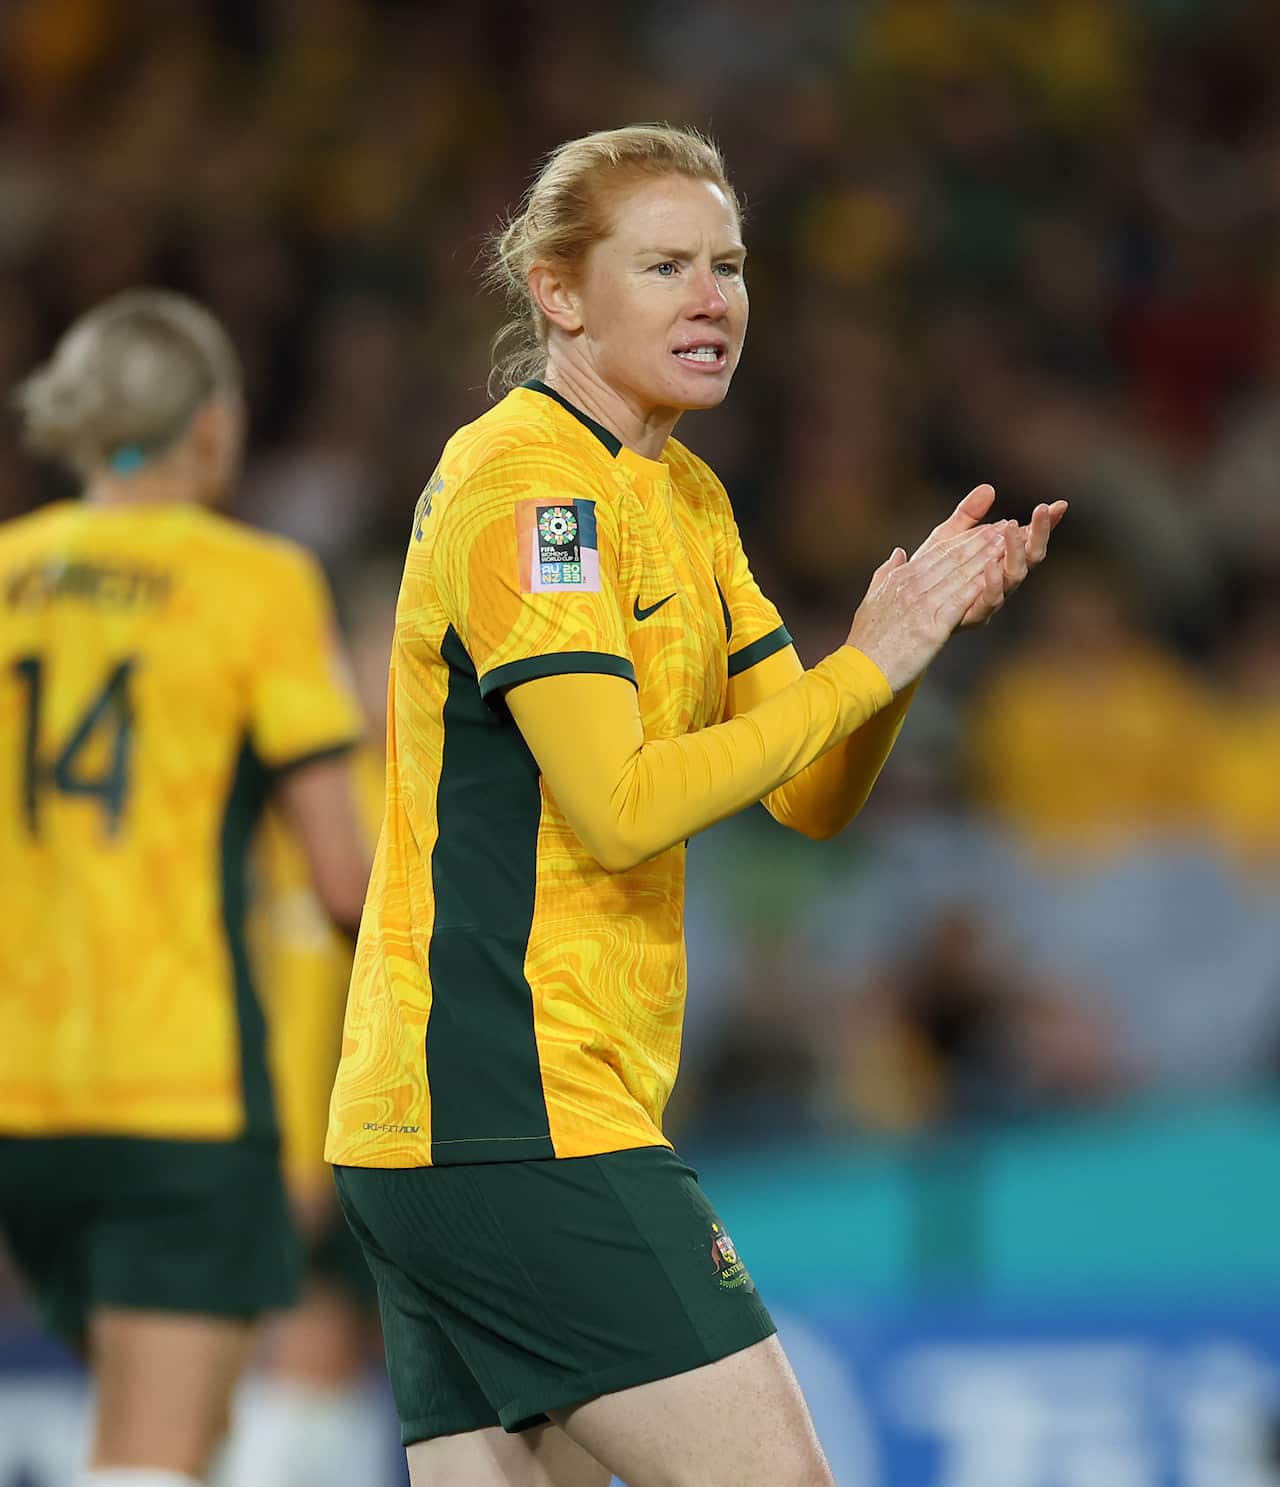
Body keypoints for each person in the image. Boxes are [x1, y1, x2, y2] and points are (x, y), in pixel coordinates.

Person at [325, 124, 1065, 1487]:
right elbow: (616, 808)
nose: (711, 298)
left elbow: (811, 793)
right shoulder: (534, 493)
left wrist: (899, 654)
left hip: (469, 1115)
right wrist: (860, 667)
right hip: (512, 1102)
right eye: (663, 265)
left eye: (727, 264)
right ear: (558, 291)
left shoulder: (683, 495)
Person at [0, 289, 371, 1487]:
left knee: (179, 1442)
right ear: (211, 425)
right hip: (178, 1090)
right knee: (152, 1460)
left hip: (20, 1096)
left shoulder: (5, 574)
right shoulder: (251, 582)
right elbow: (340, 878)